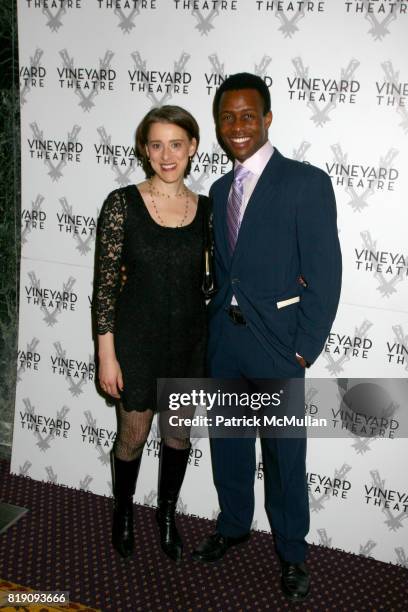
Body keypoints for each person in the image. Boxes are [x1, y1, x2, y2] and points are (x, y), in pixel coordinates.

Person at [192, 73, 342, 602]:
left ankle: (292, 553)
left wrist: (304, 348)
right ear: (218, 124)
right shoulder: (216, 190)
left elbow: (325, 274)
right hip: (225, 345)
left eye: (247, 115)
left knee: (284, 459)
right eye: (227, 117)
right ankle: (233, 526)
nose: (237, 126)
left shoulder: (305, 182)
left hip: (279, 346)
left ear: (268, 119)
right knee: (229, 447)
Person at [94, 105, 208, 562]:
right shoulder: (121, 203)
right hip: (135, 342)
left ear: (192, 148)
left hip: (188, 343)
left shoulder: (209, 211)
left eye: (176, 144)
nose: (166, 155)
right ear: (145, 149)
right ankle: (123, 513)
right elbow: (104, 287)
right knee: (133, 436)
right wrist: (107, 354)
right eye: (156, 144)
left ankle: (165, 515)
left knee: (178, 436)